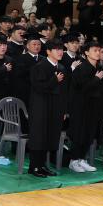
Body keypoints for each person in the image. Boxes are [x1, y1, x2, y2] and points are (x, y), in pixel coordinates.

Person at [27, 40, 68, 178]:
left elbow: (64, 91)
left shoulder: (62, 67)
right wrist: (54, 80)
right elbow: (38, 87)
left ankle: (43, 165)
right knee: (39, 136)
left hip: (55, 107)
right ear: (48, 51)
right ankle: (34, 167)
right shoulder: (39, 66)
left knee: (50, 136)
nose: (60, 52)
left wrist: (63, 110)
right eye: (56, 49)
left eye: (61, 49)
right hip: (40, 106)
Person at [66, 42, 103, 173]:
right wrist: (95, 79)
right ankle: (73, 161)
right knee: (79, 135)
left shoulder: (99, 67)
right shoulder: (82, 67)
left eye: (99, 50)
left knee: (89, 135)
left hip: (94, 107)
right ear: (86, 53)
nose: (98, 53)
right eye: (95, 50)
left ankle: (82, 159)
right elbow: (80, 89)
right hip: (80, 107)